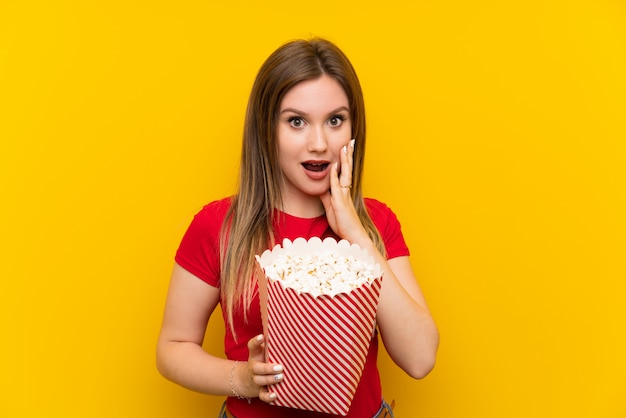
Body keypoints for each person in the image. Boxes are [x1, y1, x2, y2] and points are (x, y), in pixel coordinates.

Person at [156, 37, 439, 418]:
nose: (319, 143)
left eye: (335, 120)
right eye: (296, 122)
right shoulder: (219, 227)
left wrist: (355, 233)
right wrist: (243, 378)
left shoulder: (376, 224)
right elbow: (173, 346)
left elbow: (420, 358)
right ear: (266, 129)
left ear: (354, 129)